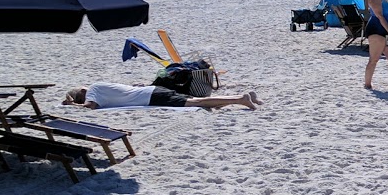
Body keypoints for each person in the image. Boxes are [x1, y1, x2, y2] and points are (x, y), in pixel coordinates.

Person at [64, 83, 259, 110]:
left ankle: (240, 99)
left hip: (150, 97)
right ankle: (245, 96)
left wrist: (73, 105)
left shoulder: (92, 91)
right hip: (152, 91)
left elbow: (90, 107)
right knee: (201, 104)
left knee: (197, 102)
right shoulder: (99, 86)